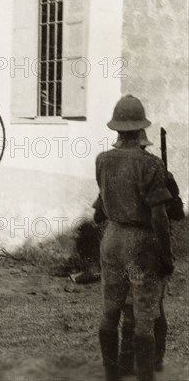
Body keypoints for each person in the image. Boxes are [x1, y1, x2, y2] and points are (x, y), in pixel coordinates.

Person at [95, 95, 173, 381]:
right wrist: (166, 255)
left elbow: (101, 207)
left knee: (110, 311)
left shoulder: (103, 160)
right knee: (144, 316)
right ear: (141, 129)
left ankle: (111, 375)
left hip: (112, 238)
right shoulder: (150, 164)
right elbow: (159, 218)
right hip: (141, 241)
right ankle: (144, 377)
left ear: (117, 129)